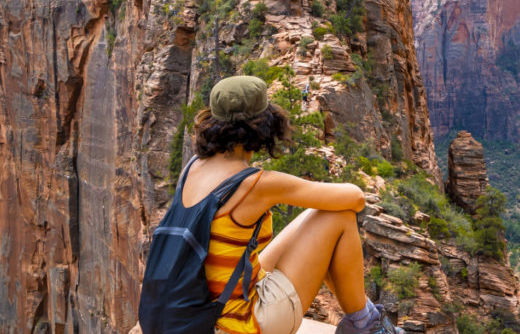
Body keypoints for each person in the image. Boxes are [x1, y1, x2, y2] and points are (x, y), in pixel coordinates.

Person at [166, 75, 401, 334]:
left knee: (317, 215)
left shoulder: (191, 168)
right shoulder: (252, 184)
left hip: (203, 306)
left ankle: (364, 318)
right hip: (240, 324)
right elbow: (355, 197)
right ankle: (368, 326)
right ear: (265, 125)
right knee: (339, 216)